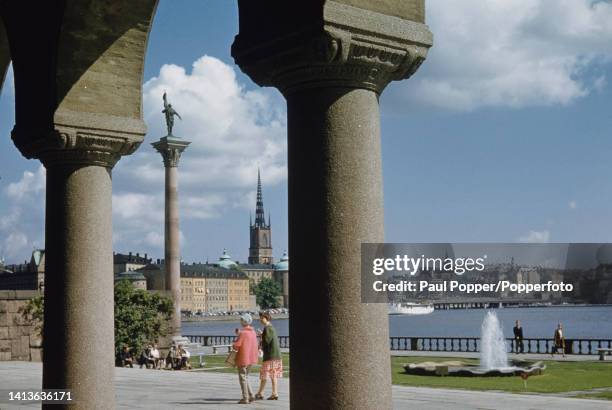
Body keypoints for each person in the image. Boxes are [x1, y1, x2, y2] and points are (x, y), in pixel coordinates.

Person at [254, 311, 282, 401]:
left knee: (265, 374)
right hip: (275, 355)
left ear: (267, 318)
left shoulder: (268, 328)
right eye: (260, 318)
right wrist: (262, 334)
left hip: (270, 355)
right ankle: (273, 393)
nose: (261, 320)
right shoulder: (270, 327)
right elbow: (268, 338)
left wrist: (261, 337)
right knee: (272, 374)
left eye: (262, 318)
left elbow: (266, 341)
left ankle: (261, 393)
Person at [232, 313, 259, 404]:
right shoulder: (253, 332)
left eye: (241, 320)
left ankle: (245, 398)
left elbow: (236, 346)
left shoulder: (243, 333)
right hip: (251, 358)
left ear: (244, 321)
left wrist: (235, 340)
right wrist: (239, 334)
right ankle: (251, 395)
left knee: (242, 378)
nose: (240, 322)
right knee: (246, 377)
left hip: (243, 358)